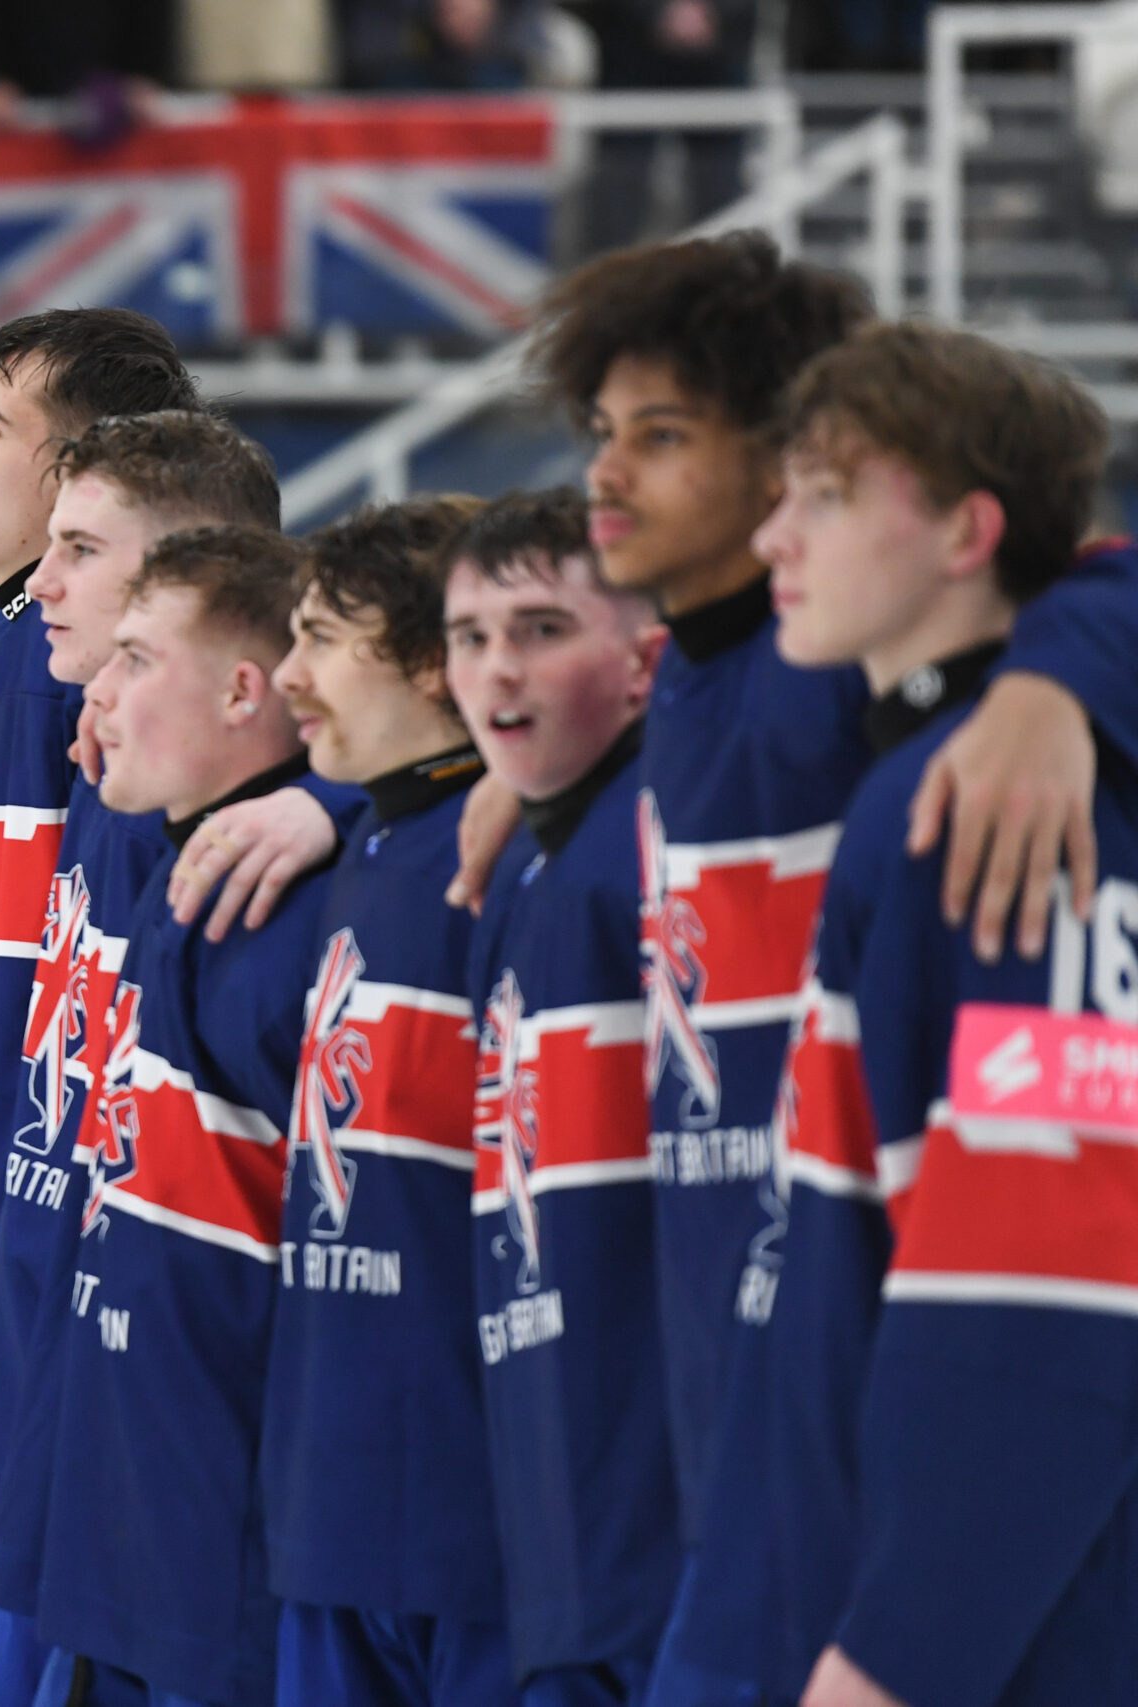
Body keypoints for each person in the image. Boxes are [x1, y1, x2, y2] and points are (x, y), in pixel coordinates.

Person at [469, 234, 1138, 1703]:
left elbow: (1063, 553)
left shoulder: (901, 708)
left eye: (664, 434)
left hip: (913, 1480)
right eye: (601, 433)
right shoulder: (693, 680)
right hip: (744, 1443)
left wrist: (1059, 675)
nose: (610, 474)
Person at [741, 322, 1133, 1707]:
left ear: (970, 529)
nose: (775, 533)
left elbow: (1046, 1295)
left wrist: (898, 1654)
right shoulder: (927, 774)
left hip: (1019, 1641)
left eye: (828, 494)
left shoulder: (989, 808)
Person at [0, 409, 306, 1707]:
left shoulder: (270, 845)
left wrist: (330, 796)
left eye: (77, 548)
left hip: (202, 1484)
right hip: (76, 1415)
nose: (37, 582)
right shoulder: (110, 770)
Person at [260, 500, 513, 1706]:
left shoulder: (502, 865)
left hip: (474, 1533)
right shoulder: (362, 840)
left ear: (429, 662)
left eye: (321, 639)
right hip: (334, 1505)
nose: (289, 676)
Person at [444, 489, 675, 1695]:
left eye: (539, 629)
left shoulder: (665, 833)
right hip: (551, 1539)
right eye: (470, 636)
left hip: (671, 1559)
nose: (495, 669)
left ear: (648, 663)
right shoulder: (522, 862)